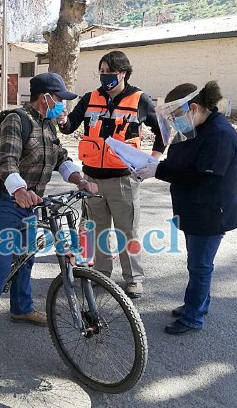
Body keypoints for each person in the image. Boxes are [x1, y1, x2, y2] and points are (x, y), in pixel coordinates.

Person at [0, 72, 98, 339]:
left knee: (27, 257)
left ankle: (21, 308)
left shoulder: (48, 124)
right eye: (60, 99)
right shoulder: (17, 120)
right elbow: (6, 161)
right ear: (46, 97)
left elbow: (61, 157)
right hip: (8, 201)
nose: (63, 104)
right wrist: (18, 189)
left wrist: (79, 180)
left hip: (33, 201)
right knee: (2, 260)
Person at [135, 81, 237, 335]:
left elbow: (204, 177)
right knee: (196, 263)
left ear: (193, 108)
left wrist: (158, 170)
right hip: (193, 209)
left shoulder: (219, 135)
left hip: (210, 212)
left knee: (200, 266)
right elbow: (180, 162)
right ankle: (196, 305)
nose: (174, 124)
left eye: (176, 117)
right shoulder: (195, 128)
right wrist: (156, 165)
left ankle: (193, 317)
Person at [57, 50, 166, 299]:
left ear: (124, 72)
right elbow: (69, 126)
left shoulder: (140, 100)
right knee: (99, 230)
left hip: (123, 180)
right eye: (101, 72)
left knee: (127, 231)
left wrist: (152, 162)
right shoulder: (90, 98)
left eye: (109, 72)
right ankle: (102, 275)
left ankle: (134, 280)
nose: (104, 77)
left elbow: (162, 131)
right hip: (92, 179)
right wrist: (62, 120)